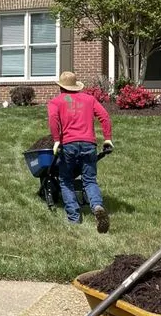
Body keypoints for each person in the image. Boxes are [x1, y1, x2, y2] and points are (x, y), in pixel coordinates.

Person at [47, 70, 113, 232]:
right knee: (89, 180)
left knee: (66, 180)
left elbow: (53, 120)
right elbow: (104, 116)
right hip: (89, 144)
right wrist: (107, 138)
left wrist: (56, 140)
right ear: (76, 86)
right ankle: (97, 205)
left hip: (68, 145)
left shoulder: (56, 102)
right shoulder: (89, 99)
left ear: (61, 87)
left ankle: (74, 217)